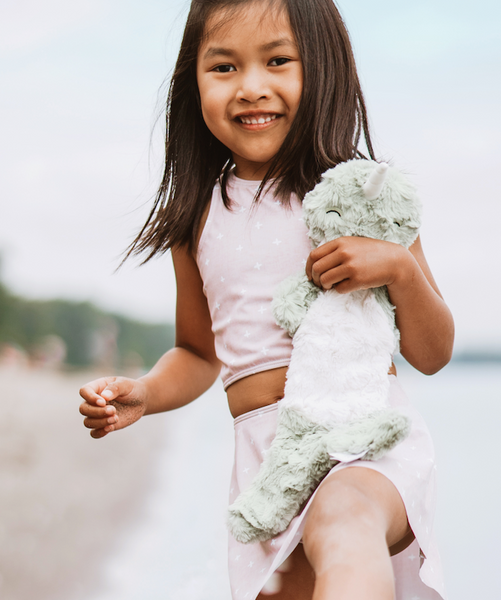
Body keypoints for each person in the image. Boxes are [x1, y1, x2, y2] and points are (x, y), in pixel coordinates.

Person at [78, 0, 454, 598]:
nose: (252, 88)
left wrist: (402, 271)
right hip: (267, 461)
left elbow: (433, 353)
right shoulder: (197, 217)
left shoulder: (361, 192)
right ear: (191, 83)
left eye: (278, 61)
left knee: (345, 521)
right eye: (223, 68)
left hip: (364, 436)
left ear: (324, 69)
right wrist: (146, 393)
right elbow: (199, 354)